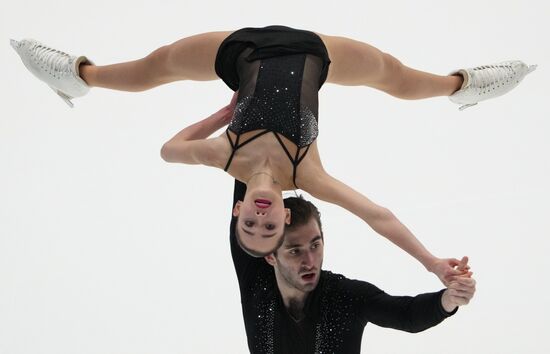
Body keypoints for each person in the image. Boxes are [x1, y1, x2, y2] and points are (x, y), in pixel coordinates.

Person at [10, 25, 535, 285]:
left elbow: (169, 150)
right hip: (314, 53)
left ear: (238, 211)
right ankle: (462, 87)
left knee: (156, 65)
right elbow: (379, 216)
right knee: (395, 77)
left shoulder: (225, 158)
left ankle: (78, 78)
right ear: (284, 214)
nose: (261, 223)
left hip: (242, 51)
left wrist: (222, 115)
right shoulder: (309, 173)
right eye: (271, 229)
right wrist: (430, 263)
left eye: (250, 228)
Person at [229, 179, 476, 354]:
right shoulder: (256, 278)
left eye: (315, 245)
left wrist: (449, 299)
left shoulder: (344, 297)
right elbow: (246, 177)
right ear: (270, 256)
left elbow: (407, 315)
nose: (310, 261)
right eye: (295, 251)